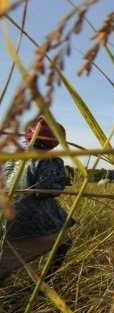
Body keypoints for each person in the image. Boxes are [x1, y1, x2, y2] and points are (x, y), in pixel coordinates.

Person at [1, 117, 73, 284]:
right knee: (64, 242)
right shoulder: (49, 159)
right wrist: (61, 182)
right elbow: (46, 189)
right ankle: (41, 285)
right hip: (28, 219)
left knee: (6, 257)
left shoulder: (12, 155)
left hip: (5, 214)